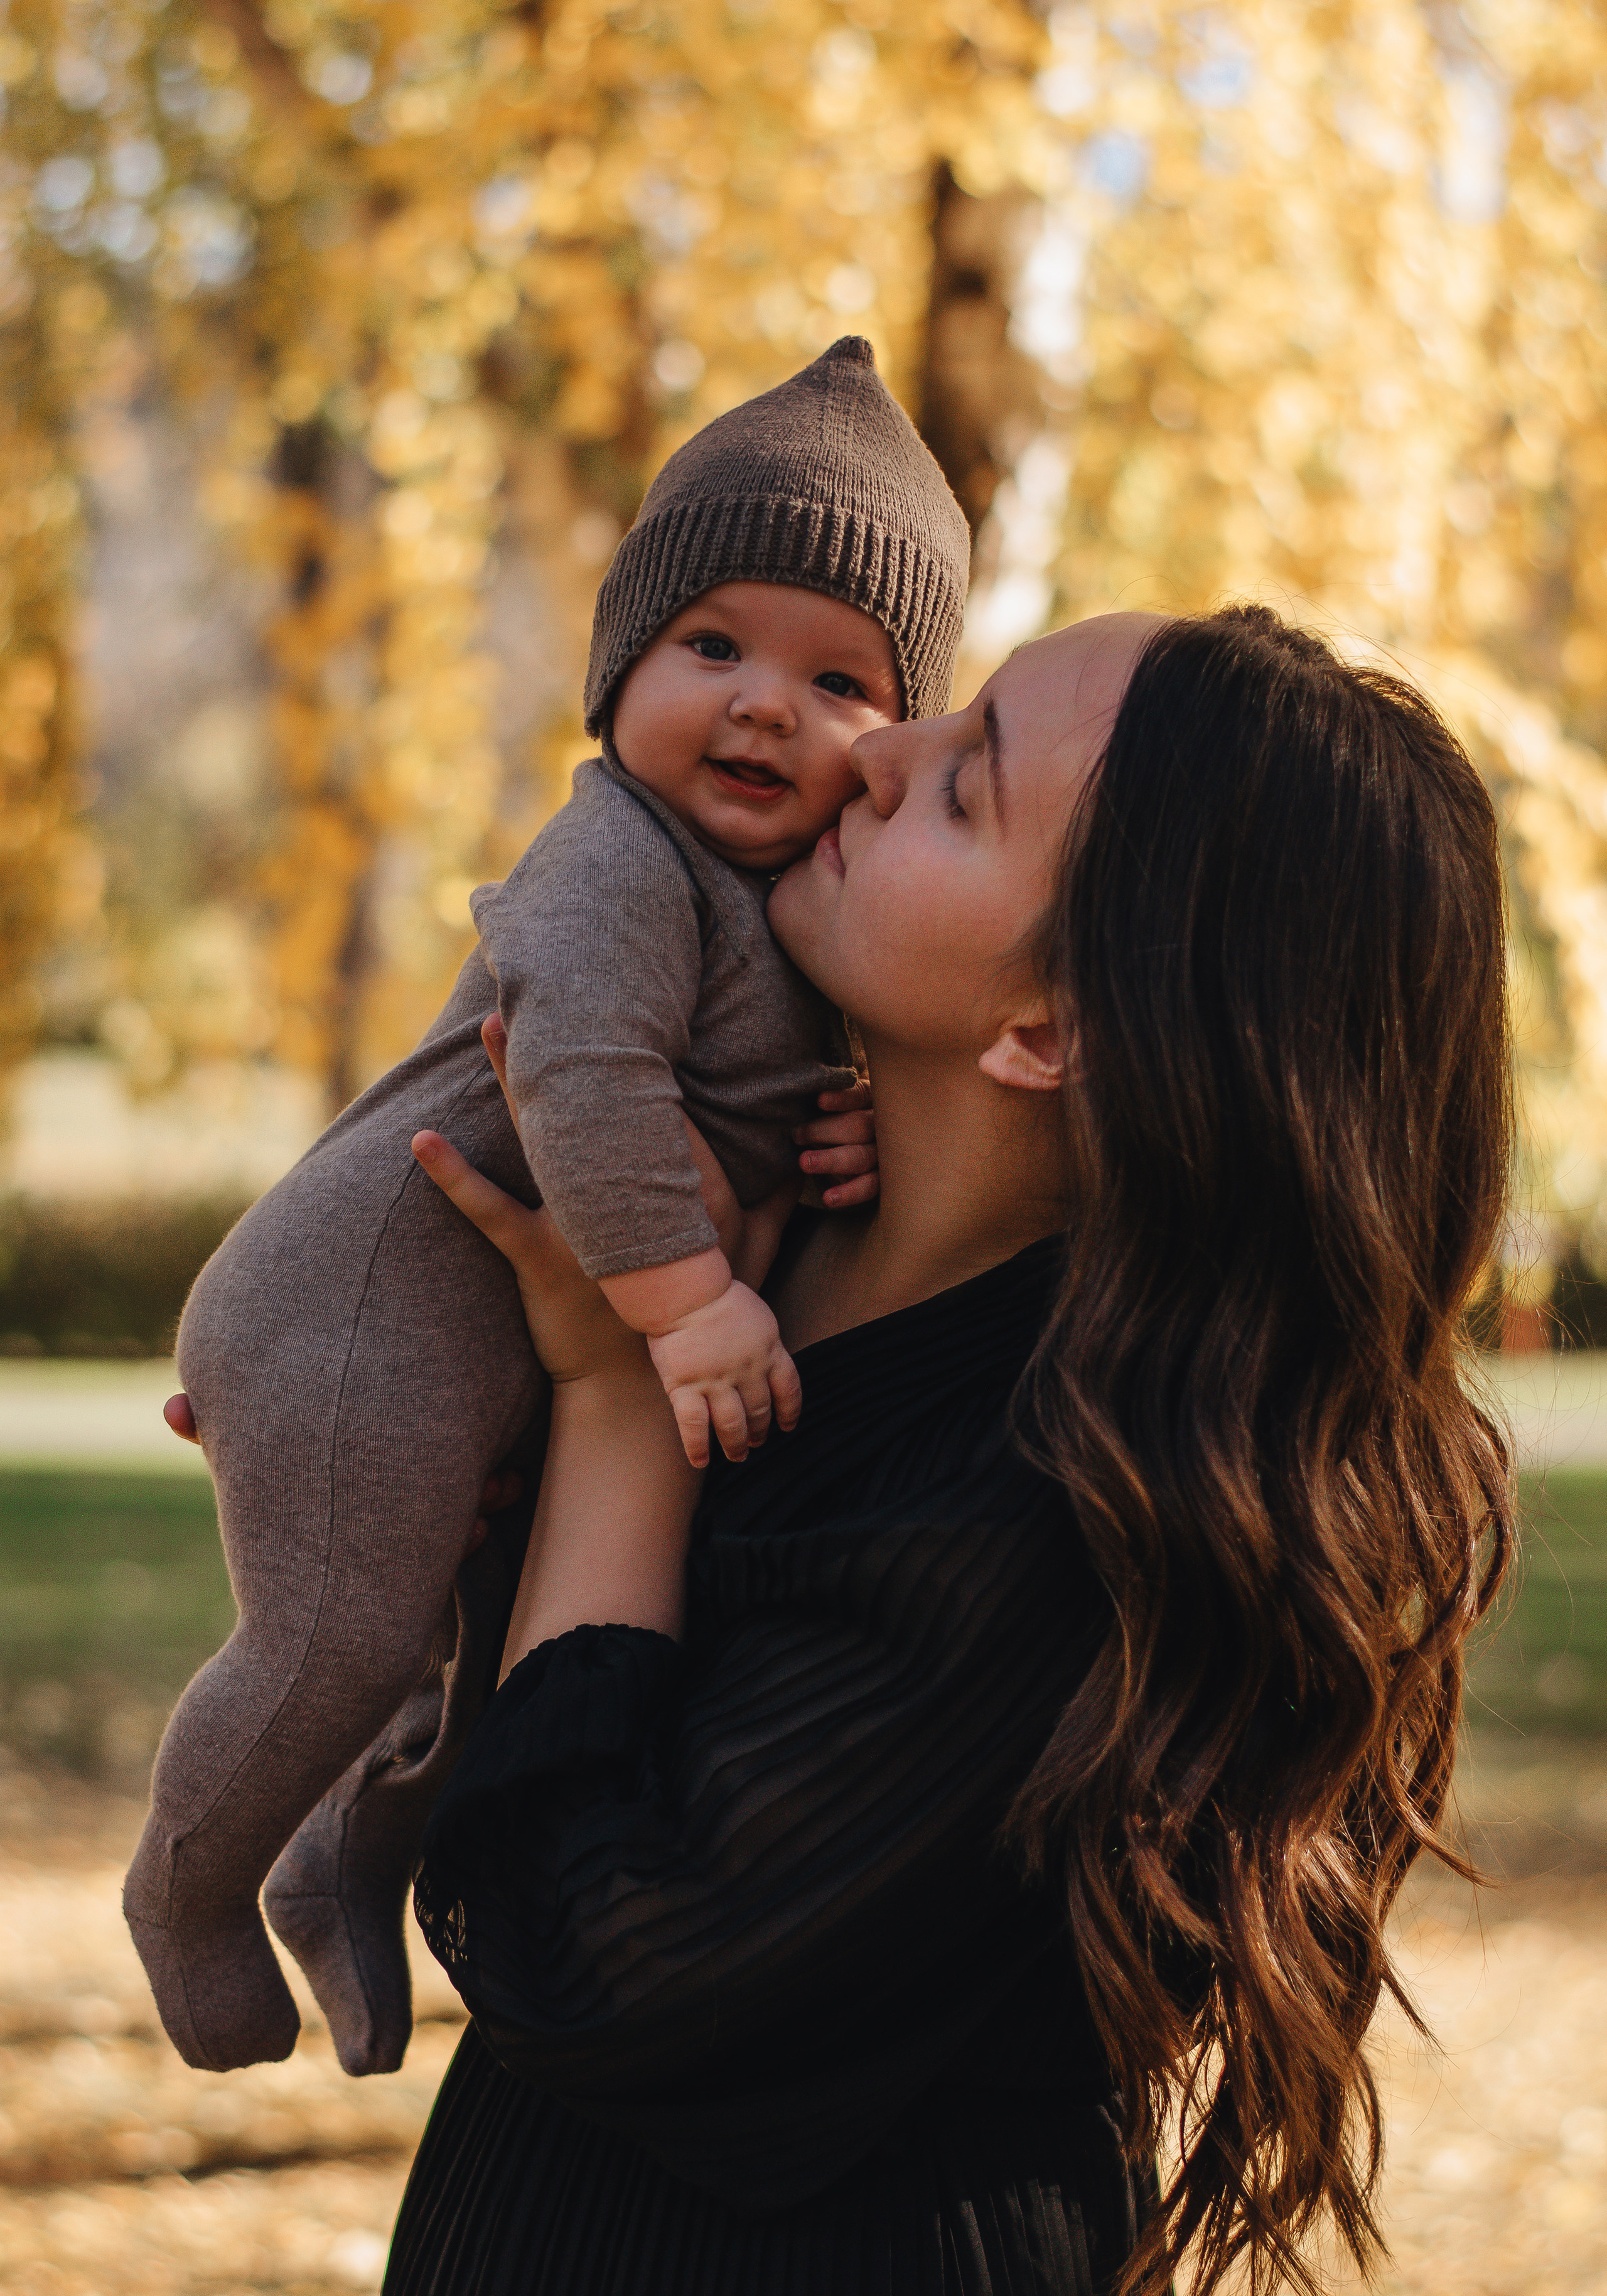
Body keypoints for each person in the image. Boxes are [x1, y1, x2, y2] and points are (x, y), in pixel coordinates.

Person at [388, 603, 1514, 2296]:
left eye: (965, 783)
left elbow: (595, 1951)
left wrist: (625, 1414)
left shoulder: (1067, 1505)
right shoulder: (760, 1242)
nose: (871, 750)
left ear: (1047, 1030)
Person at [126, 335, 972, 2080]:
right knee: (342, 1635)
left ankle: (332, 1870)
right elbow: (579, 1076)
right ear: (618, 671)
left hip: (482, 1335)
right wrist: (690, 1306)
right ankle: (183, 1895)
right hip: (359, 1293)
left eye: (840, 684)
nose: (763, 706)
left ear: (891, 742)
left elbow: (753, 1104)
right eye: (711, 647)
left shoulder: (788, 910)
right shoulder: (617, 860)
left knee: (442, 1647)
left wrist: (843, 1135)